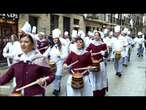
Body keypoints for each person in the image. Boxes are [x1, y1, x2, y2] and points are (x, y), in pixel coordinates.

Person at [43, 28, 68, 96]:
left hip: (59, 63)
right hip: (52, 64)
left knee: (57, 76)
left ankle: (57, 89)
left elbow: (66, 54)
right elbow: (45, 53)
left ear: (59, 39)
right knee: (53, 77)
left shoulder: (62, 47)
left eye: (56, 39)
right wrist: (42, 56)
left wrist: (60, 56)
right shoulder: (51, 46)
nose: (55, 40)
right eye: (54, 39)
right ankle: (56, 88)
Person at [86, 31, 108, 96]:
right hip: (93, 63)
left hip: (100, 63)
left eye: (97, 35)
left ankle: (100, 92)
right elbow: (86, 52)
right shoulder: (91, 44)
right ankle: (94, 91)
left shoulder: (103, 44)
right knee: (93, 78)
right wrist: (90, 54)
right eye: (95, 35)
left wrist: (104, 53)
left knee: (101, 77)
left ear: (100, 36)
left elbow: (106, 55)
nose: (96, 36)